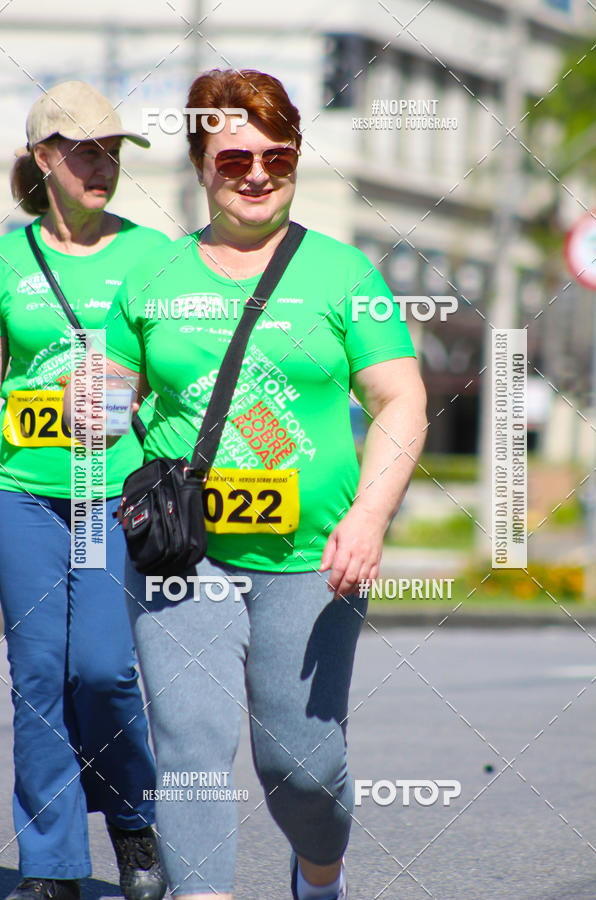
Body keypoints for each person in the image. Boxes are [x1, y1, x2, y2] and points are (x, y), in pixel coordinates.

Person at [99, 68, 427, 899]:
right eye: (234, 156)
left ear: (296, 159)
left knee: (303, 771)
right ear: (201, 165)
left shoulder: (344, 274)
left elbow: (401, 400)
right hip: (184, 553)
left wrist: (371, 518)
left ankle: (319, 875)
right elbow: (103, 404)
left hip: (313, 559)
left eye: (277, 156)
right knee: (192, 748)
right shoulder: (152, 279)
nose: (256, 173)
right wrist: (82, 405)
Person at [0, 81, 169, 900]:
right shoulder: (7, 256)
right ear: (44, 159)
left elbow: (185, 375)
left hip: (110, 491)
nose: (101, 165)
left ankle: (134, 817)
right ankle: (53, 868)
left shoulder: (154, 256)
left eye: (111, 150)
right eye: (83, 151)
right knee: (37, 676)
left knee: (102, 670)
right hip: (23, 491)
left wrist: (133, 392)